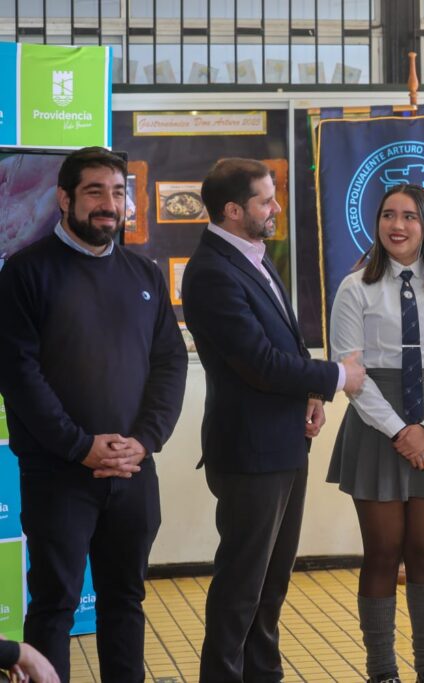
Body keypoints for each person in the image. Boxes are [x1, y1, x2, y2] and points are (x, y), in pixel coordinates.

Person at [0, 146, 188, 682]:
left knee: (125, 600)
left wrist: (144, 441)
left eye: (118, 192)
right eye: (95, 191)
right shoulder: (24, 272)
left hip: (133, 471)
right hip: (58, 474)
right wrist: (80, 446)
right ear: (64, 199)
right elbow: (19, 375)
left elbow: (170, 363)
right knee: (54, 605)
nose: (110, 203)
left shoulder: (142, 273)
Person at [181, 158, 365, 682]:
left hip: (282, 444)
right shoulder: (213, 271)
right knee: (241, 587)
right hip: (249, 453)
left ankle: (265, 674)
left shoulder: (253, 255)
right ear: (233, 210)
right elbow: (259, 363)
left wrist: (312, 391)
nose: (276, 207)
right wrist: (337, 376)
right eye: (265, 200)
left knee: (271, 585)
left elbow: (284, 343)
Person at [328, 184, 424, 683]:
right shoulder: (356, 288)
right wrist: (400, 431)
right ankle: (382, 671)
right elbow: (350, 372)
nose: (397, 225)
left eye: (409, 216)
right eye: (388, 215)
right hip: (377, 427)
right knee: (382, 553)